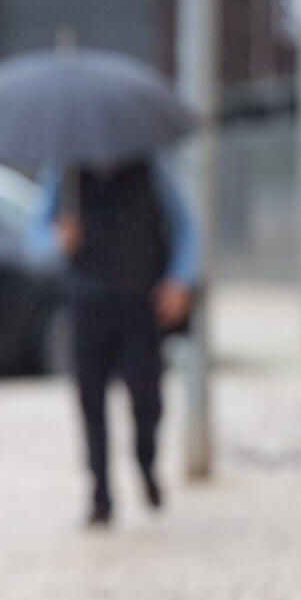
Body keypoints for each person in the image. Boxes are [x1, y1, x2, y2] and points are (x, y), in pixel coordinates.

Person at [30, 155, 200, 527]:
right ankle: (100, 493)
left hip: (140, 303)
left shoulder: (151, 166)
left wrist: (180, 280)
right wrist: (59, 239)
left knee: (146, 396)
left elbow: (186, 228)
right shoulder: (66, 173)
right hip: (87, 304)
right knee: (90, 402)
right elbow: (36, 237)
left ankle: (145, 461)